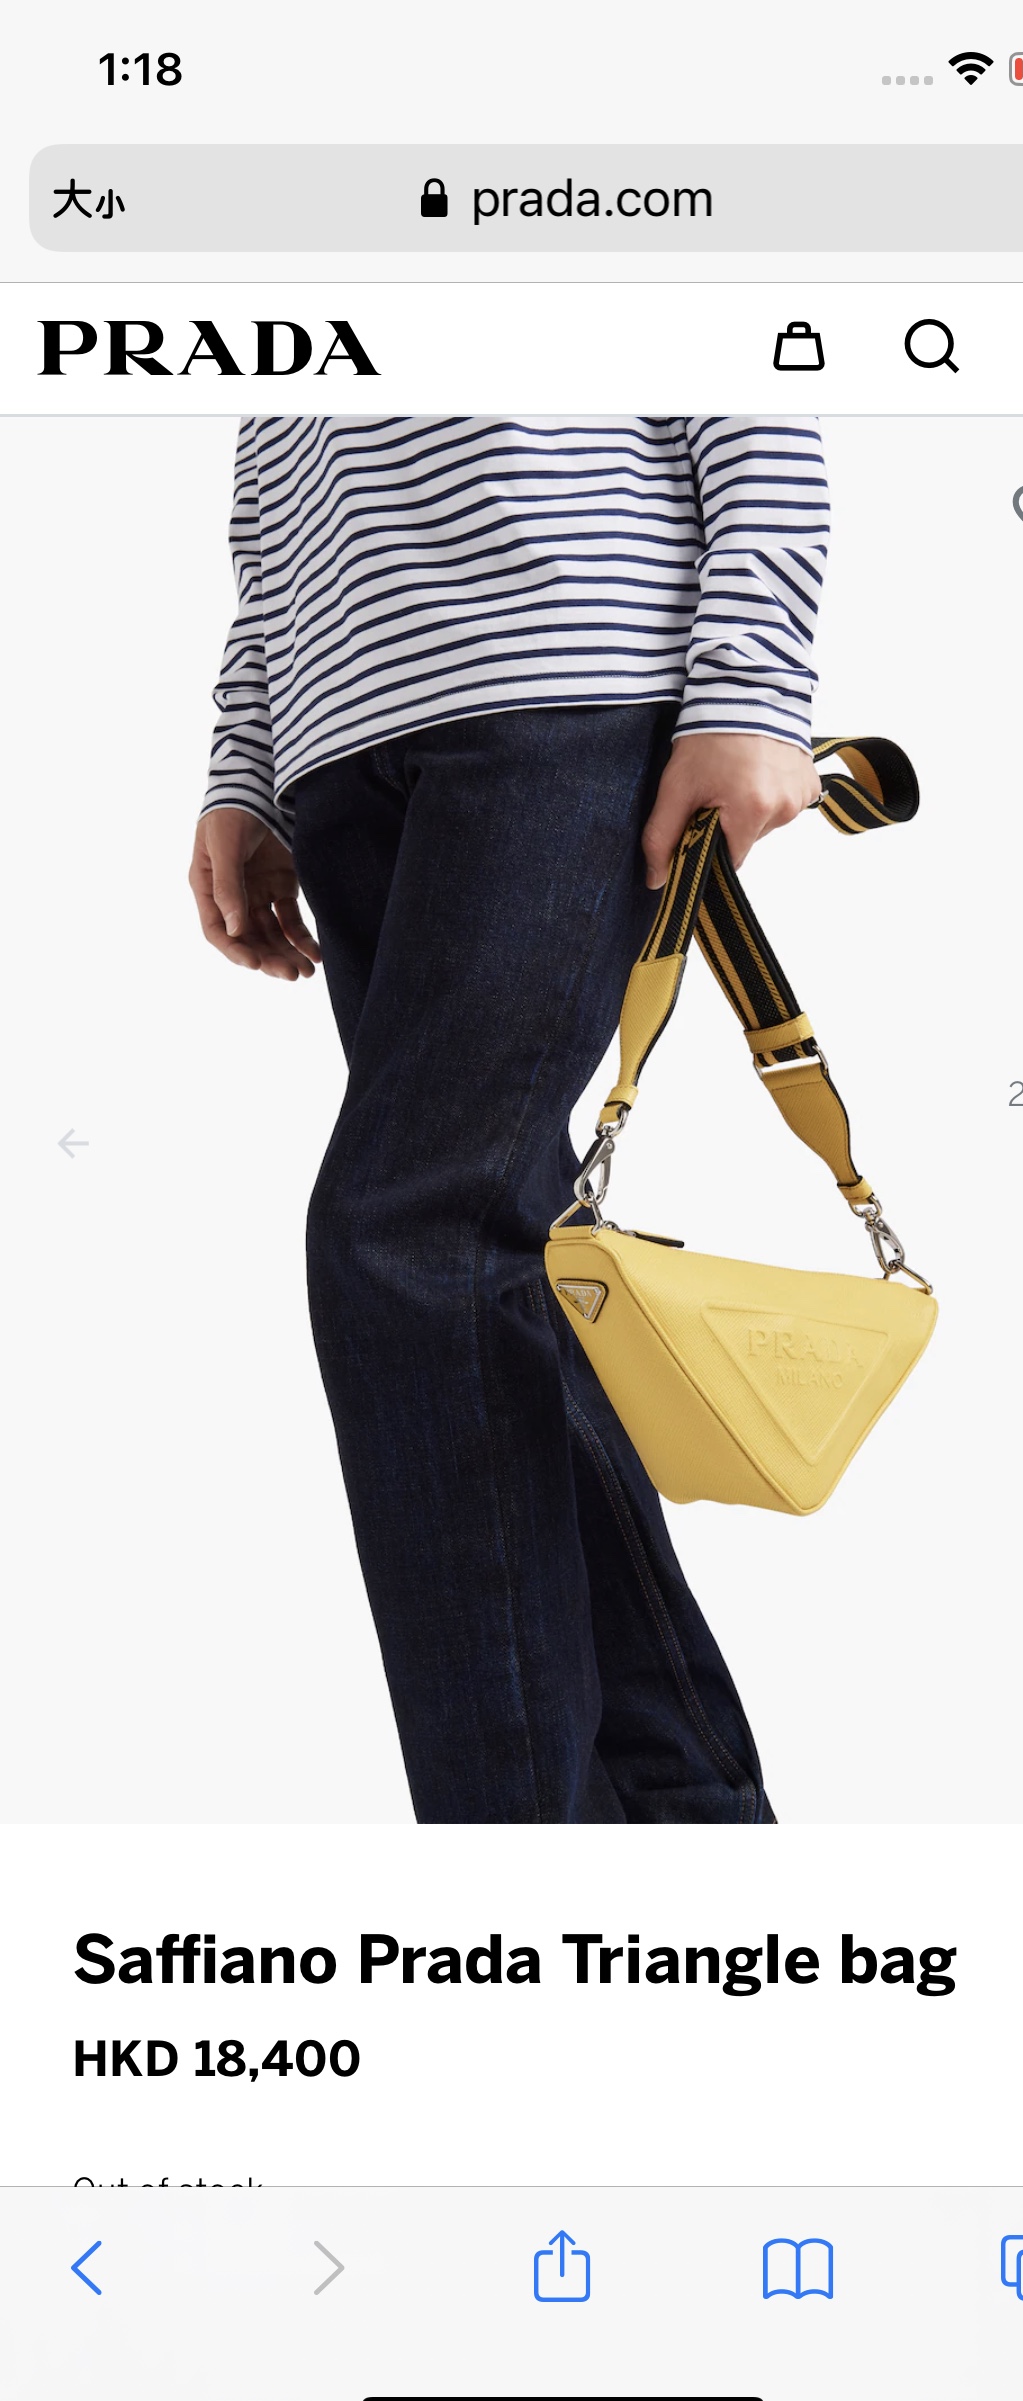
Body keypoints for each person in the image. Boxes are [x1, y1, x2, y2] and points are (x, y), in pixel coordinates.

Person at [189, 415, 828, 1825]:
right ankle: (685, 1838)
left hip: (560, 687)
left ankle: (510, 1876)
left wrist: (753, 685)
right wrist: (248, 768)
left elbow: (754, 394)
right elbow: (273, 516)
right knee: (496, 1274)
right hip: (345, 752)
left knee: (407, 1239)